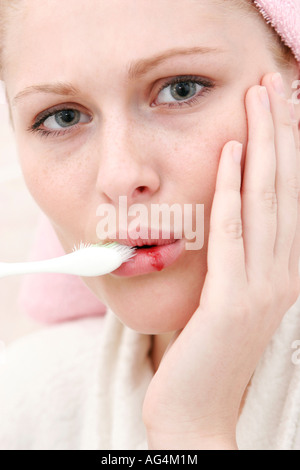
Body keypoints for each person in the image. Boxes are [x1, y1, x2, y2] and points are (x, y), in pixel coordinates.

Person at [0, 0, 299, 450]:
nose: (119, 175)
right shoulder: (25, 404)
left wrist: (191, 430)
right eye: (63, 117)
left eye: (180, 89)